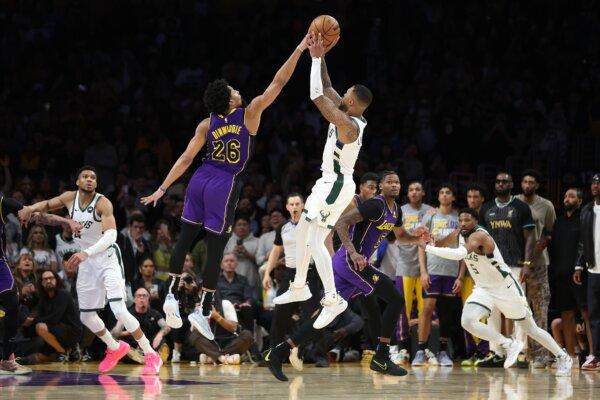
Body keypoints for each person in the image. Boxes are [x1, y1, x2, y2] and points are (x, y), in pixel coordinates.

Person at [141, 34, 312, 340]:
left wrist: (162, 189)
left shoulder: (206, 123)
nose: (238, 91)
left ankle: (170, 295)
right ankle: (204, 310)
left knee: (185, 239)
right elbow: (279, 82)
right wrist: (299, 48)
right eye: (233, 90)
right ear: (229, 100)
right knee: (217, 247)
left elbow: (184, 159)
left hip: (199, 179)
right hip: (224, 182)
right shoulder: (250, 114)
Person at [264, 172, 425, 380]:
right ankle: (382, 356)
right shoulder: (375, 205)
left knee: (326, 314)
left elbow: (401, 237)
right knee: (395, 298)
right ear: (381, 186)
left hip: (351, 265)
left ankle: (278, 353)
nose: (394, 185)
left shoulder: (396, 211)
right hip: (350, 262)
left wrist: (418, 238)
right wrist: (353, 252)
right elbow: (341, 223)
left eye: (397, 182)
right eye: (389, 182)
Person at [20, 166, 163, 375]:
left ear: (96, 183)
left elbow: (111, 235)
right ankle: (115, 348)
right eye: (85, 176)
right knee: (86, 317)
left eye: (93, 177)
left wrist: (86, 253)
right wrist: (30, 207)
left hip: (106, 258)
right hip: (86, 262)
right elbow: (48, 204)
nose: (89, 179)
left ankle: (151, 354)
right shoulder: (70, 197)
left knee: (119, 310)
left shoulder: (102, 202)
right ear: (78, 181)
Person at [274, 33, 374, 330]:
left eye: (346, 95)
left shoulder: (349, 125)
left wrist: (315, 58)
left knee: (314, 237)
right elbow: (328, 86)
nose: (340, 95)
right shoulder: (347, 110)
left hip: (336, 184)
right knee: (307, 232)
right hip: (327, 182)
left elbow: (318, 96)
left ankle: (331, 298)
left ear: (353, 102)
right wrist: (321, 54)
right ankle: (302, 286)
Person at [421, 208, 572, 377]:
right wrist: (432, 240)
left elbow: (459, 254)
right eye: (460, 220)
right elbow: (443, 242)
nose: (463, 223)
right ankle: (508, 343)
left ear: (476, 221)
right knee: (468, 321)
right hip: (483, 288)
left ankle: (563, 356)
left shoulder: (480, 236)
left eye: (467, 220)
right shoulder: (459, 232)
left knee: (530, 329)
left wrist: (427, 248)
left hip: (504, 287)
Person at [0, 194, 80, 374]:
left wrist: (66, 222)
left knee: (12, 304)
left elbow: (34, 213)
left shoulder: (3, 202)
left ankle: (7, 359)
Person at [478, 172, 535, 367]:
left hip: (515, 265)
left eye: (505, 181)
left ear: (511, 184)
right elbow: (479, 239)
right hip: (490, 267)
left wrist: (527, 264)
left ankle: (521, 352)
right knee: (491, 309)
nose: (500, 184)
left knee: (518, 308)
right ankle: (497, 351)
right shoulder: (486, 208)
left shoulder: (521, 207)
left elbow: (530, 237)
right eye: (498, 181)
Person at [262, 193, 321, 348]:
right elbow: (275, 252)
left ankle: (320, 354)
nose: (294, 207)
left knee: (314, 315)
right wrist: (267, 273)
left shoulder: (311, 223)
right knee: (280, 313)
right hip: (290, 274)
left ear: (303, 206)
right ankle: (273, 351)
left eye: (297, 204)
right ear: (287, 207)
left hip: (309, 273)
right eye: (291, 204)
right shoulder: (283, 227)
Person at [413, 183, 463, 367]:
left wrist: (460, 276)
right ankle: (420, 350)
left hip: (451, 271)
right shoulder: (430, 216)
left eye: (448, 192)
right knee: (426, 309)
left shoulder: (459, 218)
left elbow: (463, 249)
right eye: (441, 192)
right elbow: (420, 244)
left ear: (453, 197)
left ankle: (443, 352)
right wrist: (423, 271)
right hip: (432, 269)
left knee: (446, 313)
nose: (444, 195)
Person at [516, 169, 556, 367]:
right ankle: (520, 353)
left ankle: (540, 355)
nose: (528, 185)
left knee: (540, 311)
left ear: (537, 185)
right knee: (517, 310)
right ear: (521, 184)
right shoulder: (514, 202)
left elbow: (550, 231)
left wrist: (544, 242)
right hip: (515, 263)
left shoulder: (546, 205)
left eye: (532, 182)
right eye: (525, 181)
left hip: (539, 264)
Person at [550, 188, 590, 368]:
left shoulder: (584, 219)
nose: (567, 199)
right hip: (561, 275)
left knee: (586, 314)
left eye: (572, 196)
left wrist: (580, 267)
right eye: (565, 196)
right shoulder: (558, 222)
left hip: (581, 274)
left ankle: (591, 355)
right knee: (565, 314)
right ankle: (571, 356)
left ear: (580, 201)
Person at [394, 180, 431, 363]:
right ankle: (403, 350)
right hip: (404, 266)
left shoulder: (431, 211)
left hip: (426, 268)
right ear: (407, 194)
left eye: (418, 189)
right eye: (411, 190)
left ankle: (425, 350)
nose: (414, 192)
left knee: (426, 310)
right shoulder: (399, 211)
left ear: (423, 192)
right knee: (403, 309)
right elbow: (395, 237)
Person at [573, 173, 600, 370]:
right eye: (593, 183)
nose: (595, 186)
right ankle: (596, 356)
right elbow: (582, 241)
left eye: (599, 183)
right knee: (594, 315)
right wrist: (578, 265)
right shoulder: (587, 210)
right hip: (593, 270)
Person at [27, 270, 82, 364]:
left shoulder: (63, 294)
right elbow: (40, 315)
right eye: (45, 279)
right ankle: (68, 351)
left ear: (56, 280)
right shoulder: (43, 298)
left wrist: (34, 320)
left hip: (71, 331)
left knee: (40, 327)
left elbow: (55, 318)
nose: (48, 281)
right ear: (42, 283)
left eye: (51, 278)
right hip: (55, 330)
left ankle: (63, 353)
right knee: (41, 357)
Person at [461, 183, 489, 366]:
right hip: (469, 274)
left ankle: (486, 351)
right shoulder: (463, 223)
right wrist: (460, 276)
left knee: (485, 315)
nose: (472, 200)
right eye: (469, 197)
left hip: (485, 276)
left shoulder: (485, 221)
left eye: (475, 197)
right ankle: (473, 351)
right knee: (468, 312)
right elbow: (461, 253)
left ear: (482, 199)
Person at [111, 287, 171, 363]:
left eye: (144, 295)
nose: (142, 298)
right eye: (139, 296)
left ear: (148, 299)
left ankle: (156, 356)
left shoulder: (155, 314)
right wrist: (125, 333)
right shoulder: (127, 315)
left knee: (161, 339)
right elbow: (114, 333)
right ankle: (149, 358)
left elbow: (166, 327)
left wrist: (160, 335)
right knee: (123, 347)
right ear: (134, 299)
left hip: (151, 344)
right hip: (134, 347)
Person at [117, 214, 152, 284]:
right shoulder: (122, 241)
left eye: (141, 228)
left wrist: (141, 254)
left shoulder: (147, 245)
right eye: (135, 227)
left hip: (140, 284)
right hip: (123, 281)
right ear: (130, 227)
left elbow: (147, 266)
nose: (138, 230)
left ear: (144, 229)